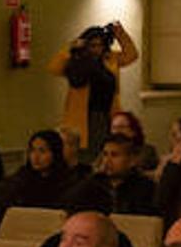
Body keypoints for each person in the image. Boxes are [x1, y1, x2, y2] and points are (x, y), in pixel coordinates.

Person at [52, 22, 140, 151]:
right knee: (88, 150)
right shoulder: (77, 61)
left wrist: (120, 34)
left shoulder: (110, 58)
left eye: (100, 45)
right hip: (86, 116)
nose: (96, 49)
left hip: (108, 114)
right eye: (92, 45)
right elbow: (54, 68)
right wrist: (72, 47)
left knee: (109, 148)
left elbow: (132, 55)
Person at [62, 134, 160, 216]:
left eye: (114, 155)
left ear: (132, 160)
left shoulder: (145, 187)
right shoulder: (95, 183)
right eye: (105, 154)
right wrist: (93, 176)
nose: (107, 161)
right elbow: (69, 201)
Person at [0, 130, 82, 218]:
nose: (36, 157)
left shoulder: (68, 182)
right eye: (32, 150)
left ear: (55, 153)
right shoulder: (21, 178)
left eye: (42, 151)